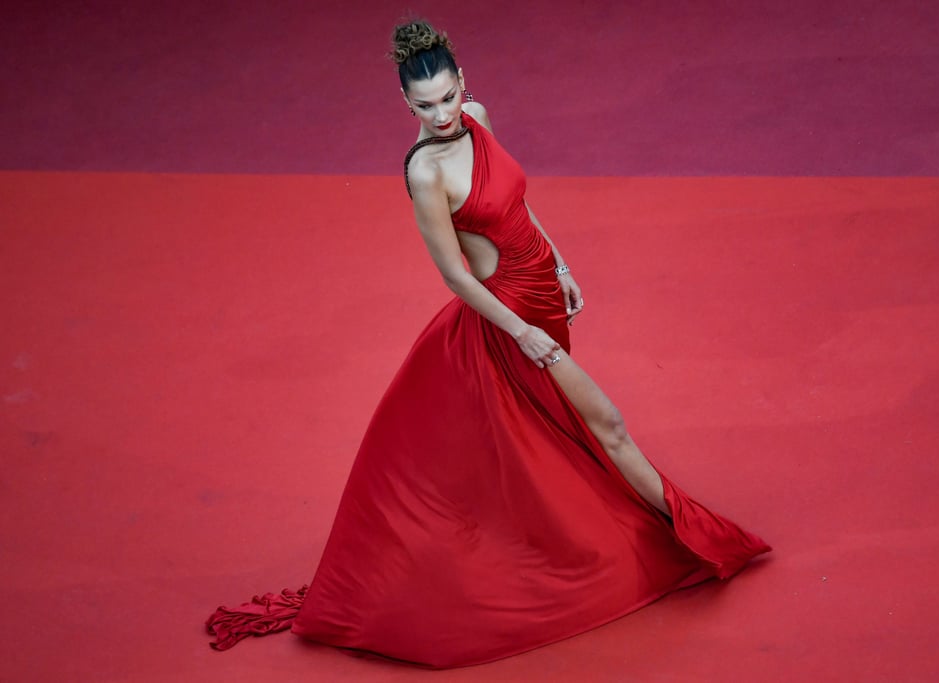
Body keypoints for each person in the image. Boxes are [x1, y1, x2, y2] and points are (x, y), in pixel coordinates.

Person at [207, 20, 770, 668]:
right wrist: (522, 330)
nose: (443, 114)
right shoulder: (425, 172)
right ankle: (695, 537)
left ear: (463, 85)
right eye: (426, 105)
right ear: (405, 105)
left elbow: (518, 208)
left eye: (448, 97)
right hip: (508, 317)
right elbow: (454, 274)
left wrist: (558, 264)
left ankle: (614, 532)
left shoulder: (478, 117)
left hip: (541, 294)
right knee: (606, 424)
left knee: (557, 433)